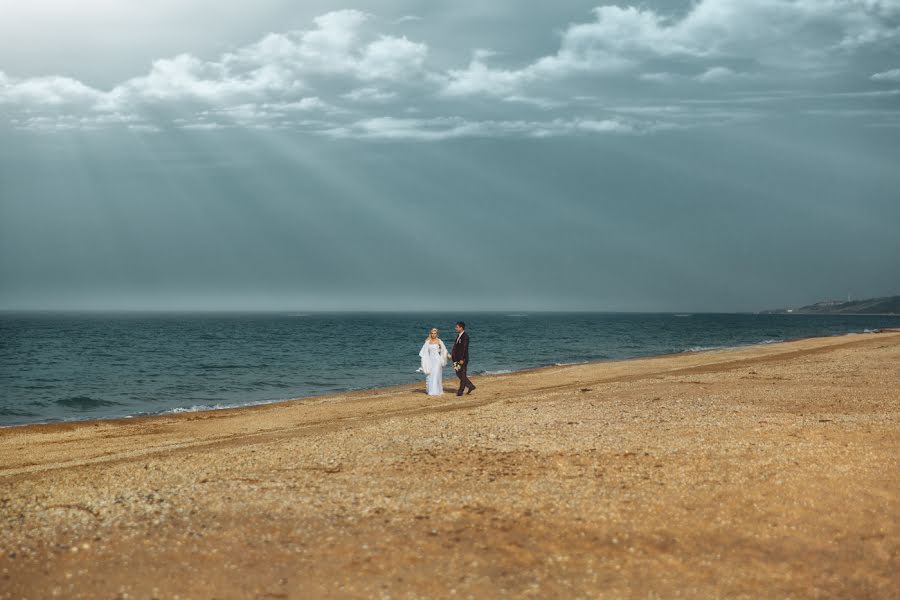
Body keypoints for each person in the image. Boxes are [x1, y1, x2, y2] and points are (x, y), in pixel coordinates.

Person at [418, 328, 449, 396]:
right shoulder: (427, 341)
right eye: (432, 333)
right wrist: (424, 360)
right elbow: (424, 351)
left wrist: (448, 356)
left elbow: (444, 350)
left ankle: (435, 391)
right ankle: (431, 390)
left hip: (437, 360)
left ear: (437, 334)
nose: (433, 334)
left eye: (435, 333)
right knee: (431, 374)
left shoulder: (439, 341)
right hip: (430, 360)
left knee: (436, 374)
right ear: (430, 334)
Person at [450, 321, 476, 396]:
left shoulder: (465, 337)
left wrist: (462, 359)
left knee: (462, 374)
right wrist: (453, 355)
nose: (455, 328)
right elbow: (456, 347)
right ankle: (471, 386)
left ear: (461, 328)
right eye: (456, 327)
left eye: (457, 327)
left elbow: (464, 348)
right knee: (458, 373)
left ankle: (460, 391)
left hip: (462, 359)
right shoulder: (459, 336)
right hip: (456, 359)